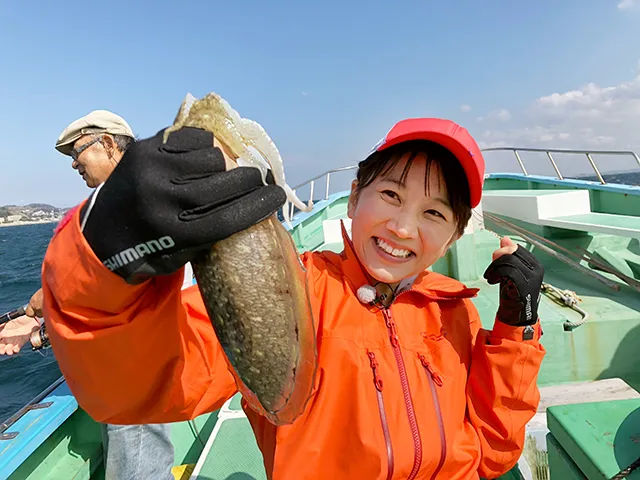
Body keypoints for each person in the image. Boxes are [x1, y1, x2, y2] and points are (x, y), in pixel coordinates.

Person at [40, 118, 546, 479]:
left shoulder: (455, 310)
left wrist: (515, 330)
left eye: (435, 214)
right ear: (353, 197)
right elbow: (137, 387)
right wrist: (101, 260)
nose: (403, 226)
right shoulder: (296, 291)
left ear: (455, 234)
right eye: (390, 195)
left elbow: (492, 454)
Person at [0, 110, 176, 480]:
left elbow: (108, 291)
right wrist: (35, 317)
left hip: (136, 376)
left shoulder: (136, 202)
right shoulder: (117, 204)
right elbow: (90, 284)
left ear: (108, 143)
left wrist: (39, 326)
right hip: (119, 372)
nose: (74, 164)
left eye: (77, 152)